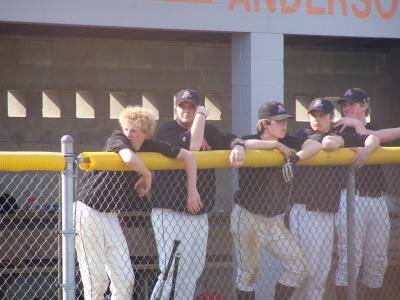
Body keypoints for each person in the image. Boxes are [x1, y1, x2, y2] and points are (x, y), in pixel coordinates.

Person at [75, 106, 200, 300]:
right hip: (88, 211)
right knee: (96, 281)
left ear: (145, 134)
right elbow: (127, 157)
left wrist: (192, 190)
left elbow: (188, 156)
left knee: (125, 278)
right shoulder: (118, 138)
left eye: (134, 131)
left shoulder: (148, 145)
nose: (128, 133)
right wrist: (147, 174)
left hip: (109, 216)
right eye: (126, 128)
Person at [150, 89, 245, 300]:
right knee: (170, 271)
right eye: (182, 106)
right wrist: (201, 114)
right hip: (170, 211)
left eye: (192, 107)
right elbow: (193, 145)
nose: (186, 110)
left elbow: (230, 138)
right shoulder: (167, 129)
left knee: (193, 269)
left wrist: (237, 145)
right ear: (174, 108)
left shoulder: (209, 131)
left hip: (199, 212)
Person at [290, 98, 380, 300]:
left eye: (322, 115)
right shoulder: (303, 134)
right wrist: (342, 140)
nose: (317, 119)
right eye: (314, 115)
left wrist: (365, 150)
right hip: (305, 212)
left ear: (332, 117)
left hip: (328, 212)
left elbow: (373, 139)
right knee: (305, 272)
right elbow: (329, 143)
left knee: (320, 274)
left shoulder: (338, 133)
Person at [231, 101, 321, 300]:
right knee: (248, 275)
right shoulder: (252, 139)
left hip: (274, 220)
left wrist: (296, 158)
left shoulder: (289, 140)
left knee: (299, 267)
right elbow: (242, 142)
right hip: (248, 217)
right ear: (264, 123)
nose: (284, 125)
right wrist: (275, 145)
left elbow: (315, 144)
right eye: (278, 121)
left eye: (285, 120)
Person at [333, 88, 393, 299]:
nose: (347, 108)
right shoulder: (338, 127)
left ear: (364, 105)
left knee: (377, 259)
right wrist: (357, 128)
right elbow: (365, 139)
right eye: (344, 104)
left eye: (352, 103)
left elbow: (377, 136)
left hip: (378, 199)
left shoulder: (372, 128)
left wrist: (360, 126)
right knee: (350, 258)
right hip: (352, 197)